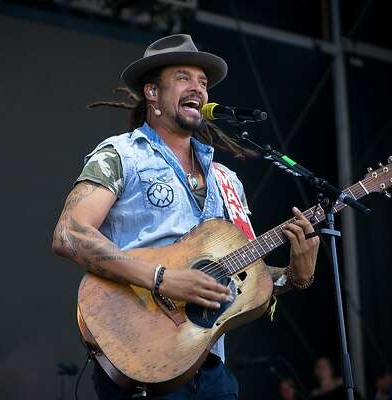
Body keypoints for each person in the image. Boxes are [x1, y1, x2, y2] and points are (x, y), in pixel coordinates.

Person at [52, 34, 320, 399]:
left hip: (208, 367)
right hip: (140, 360)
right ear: (152, 93)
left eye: (203, 82)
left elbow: (246, 278)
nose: (198, 87)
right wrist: (162, 278)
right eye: (183, 77)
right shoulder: (122, 155)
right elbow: (70, 233)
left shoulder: (227, 181)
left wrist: (293, 276)